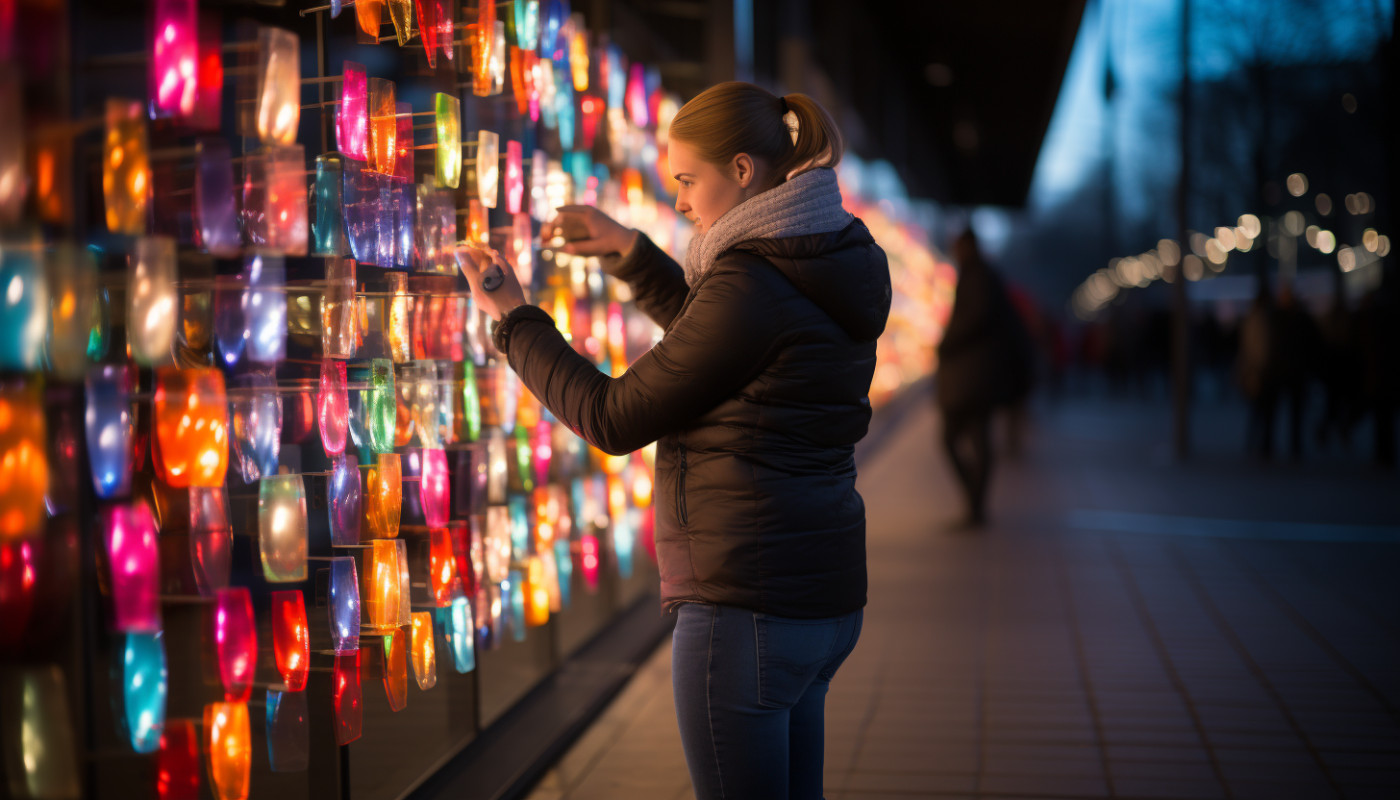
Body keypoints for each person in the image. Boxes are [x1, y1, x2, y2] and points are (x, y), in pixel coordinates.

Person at [454, 82, 891, 800]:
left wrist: (515, 320)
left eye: (688, 180)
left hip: (748, 603)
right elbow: (727, 343)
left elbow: (613, 417)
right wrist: (630, 252)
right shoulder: (825, 254)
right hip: (820, 595)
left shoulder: (752, 281)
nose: (682, 201)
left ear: (742, 171)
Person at [934, 229, 1032, 527]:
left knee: (960, 438)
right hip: (980, 375)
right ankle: (975, 503)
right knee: (974, 438)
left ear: (966, 246)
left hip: (974, 377)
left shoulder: (977, 275)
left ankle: (975, 504)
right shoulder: (984, 274)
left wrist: (945, 343)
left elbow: (974, 319)